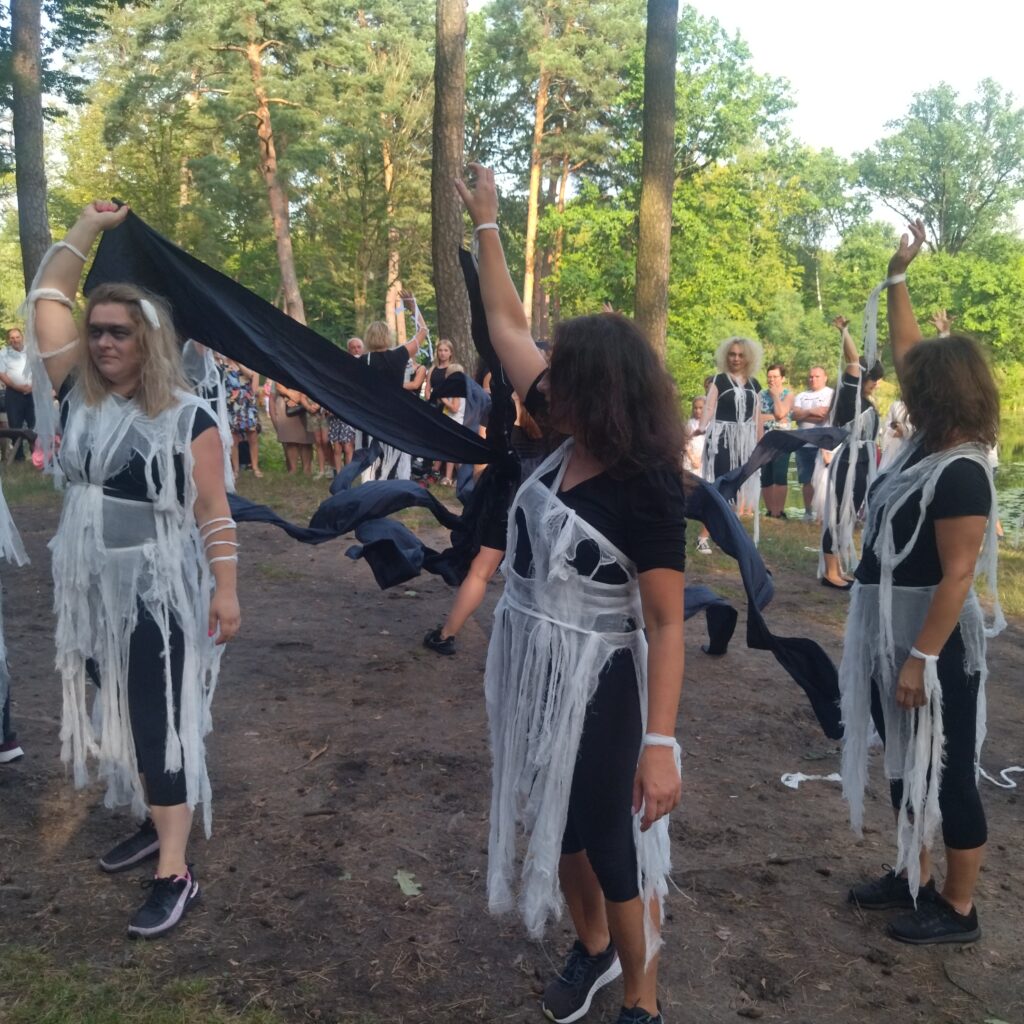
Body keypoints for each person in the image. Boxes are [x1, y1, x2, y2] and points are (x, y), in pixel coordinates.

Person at [457, 164, 684, 1024]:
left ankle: (642, 1001)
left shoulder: (647, 483)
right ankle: (593, 950)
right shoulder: (564, 431)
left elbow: (665, 623)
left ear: (600, 387)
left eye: (562, 370)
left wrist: (659, 744)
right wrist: (488, 221)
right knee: (557, 822)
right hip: (534, 666)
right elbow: (506, 325)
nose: (543, 377)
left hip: (602, 678)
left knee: (611, 838)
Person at [23, 200, 240, 938]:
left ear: (149, 340)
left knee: (156, 717)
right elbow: (48, 298)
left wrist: (227, 590)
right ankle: (158, 820)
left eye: (119, 331)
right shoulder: (77, 392)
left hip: (155, 591)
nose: (104, 341)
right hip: (90, 593)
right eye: (97, 331)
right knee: (117, 705)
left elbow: (214, 511)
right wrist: (86, 229)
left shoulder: (186, 417)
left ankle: (175, 871)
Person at [841, 219, 1004, 945]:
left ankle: (959, 909)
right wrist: (897, 274)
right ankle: (915, 874)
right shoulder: (922, 449)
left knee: (949, 770)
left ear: (945, 396)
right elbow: (912, 351)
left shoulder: (962, 470)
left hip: (933, 646)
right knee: (906, 765)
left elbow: (959, 573)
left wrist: (921, 659)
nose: (909, 392)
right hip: (893, 632)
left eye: (921, 388)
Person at [819, 316, 883, 589]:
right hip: (849, 462)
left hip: (864, 462)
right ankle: (830, 572)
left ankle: (838, 567)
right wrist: (845, 332)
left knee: (851, 515)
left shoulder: (865, 401)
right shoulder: (850, 396)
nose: (876, 383)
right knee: (838, 514)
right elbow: (854, 361)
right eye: (873, 378)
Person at [694, 337, 762, 552]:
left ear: (748, 358)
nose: (736, 359)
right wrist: (702, 427)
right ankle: (703, 536)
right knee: (721, 486)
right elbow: (709, 407)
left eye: (740, 355)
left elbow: (757, 417)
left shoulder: (754, 384)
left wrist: (760, 446)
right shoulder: (720, 380)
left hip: (745, 442)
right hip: (722, 439)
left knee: (737, 488)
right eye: (732, 354)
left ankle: (727, 533)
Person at [361, 303, 427, 480]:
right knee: (397, 453)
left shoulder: (363, 360)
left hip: (372, 414)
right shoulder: (399, 355)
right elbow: (423, 332)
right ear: (387, 336)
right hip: (396, 413)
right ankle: (396, 483)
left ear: (368, 338)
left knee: (373, 456)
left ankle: (372, 484)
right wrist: (413, 308)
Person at [791, 367, 834, 520]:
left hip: (823, 443)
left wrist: (804, 414)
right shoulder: (801, 395)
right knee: (806, 479)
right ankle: (808, 512)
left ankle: (822, 513)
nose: (813, 379)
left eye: (817, 376)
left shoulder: (831, 394)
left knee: (823, 479)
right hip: (803, 443)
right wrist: (811, 411)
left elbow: (824, 416)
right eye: (811, 376)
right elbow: (794, 416)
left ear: (825, 377)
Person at [757, 363, 794, 518]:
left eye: (775, 377)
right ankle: (770, 510)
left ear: (782, 378)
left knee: (780, 474)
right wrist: (775, 417)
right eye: (769, 376)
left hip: (782, 439)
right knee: (766, 475)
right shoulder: (760, 395)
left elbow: (780, 413)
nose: (771, 380)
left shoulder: (788, 394)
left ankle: (778, 511)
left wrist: (775, 396)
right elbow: (757, 418)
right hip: (765, 439)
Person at [326, 337, 364, 472]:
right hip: (337, 410)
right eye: (353, 348)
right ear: (348, 351)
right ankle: (338, 474)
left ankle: (347, 474)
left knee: (348, 446)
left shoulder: (366, 366)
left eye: (359, 347)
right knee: (336, 447)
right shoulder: (342, 367)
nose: (356, 350)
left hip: (352, 411)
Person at [221, 357, 263, 478]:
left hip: (247, 404)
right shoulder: (222, 364)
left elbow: (252, 378)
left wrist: (238, 362)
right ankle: (235, 469)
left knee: (252, 435)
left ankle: (255, 467)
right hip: (231, 405)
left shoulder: (248, 362)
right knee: (234, 438)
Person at [0, 327, 35, 462]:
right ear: (8, 340)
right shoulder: (3, 353)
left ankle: (37, 456)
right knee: (15, 426)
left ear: (22, 337)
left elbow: (39, 370)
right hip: (13, 393)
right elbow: (2, 374)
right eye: (12, 338)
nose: (15, 340)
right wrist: (17, 387)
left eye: (17, 337)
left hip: (32, 393)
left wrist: (33, 387)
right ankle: (19, 458)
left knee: (34, 425)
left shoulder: (31, 351)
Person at [269, 380, 314, 475]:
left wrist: (299, 397)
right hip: (285, 405)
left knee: (306, 441)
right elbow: (276, 389)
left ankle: (307, 470)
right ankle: (293, 470)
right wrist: (290, 394)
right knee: (290, 440)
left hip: (305, 401)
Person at [683, 396, 704, 474]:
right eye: (695, 408)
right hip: (692, 460)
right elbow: (685, 442)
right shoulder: (690, 423)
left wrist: (701, 459)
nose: (698, 411)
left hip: (704, 460)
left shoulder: (710, 424)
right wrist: (692, 458)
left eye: (701, 408)